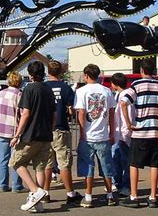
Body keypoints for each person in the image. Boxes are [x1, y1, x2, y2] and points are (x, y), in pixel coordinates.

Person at [9, 61, 56, 213]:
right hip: (45, 133)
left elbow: (26, 114)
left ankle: (35, 191)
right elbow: (54, 114)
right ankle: (38, 202)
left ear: (30, 74)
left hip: (31, 134)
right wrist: (50, 128)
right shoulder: (48, 90)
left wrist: (17, 135)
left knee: (16, 162)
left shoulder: (29, 89)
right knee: (40, 166)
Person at [120, 59, 158, 208]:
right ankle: (153, 196)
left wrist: (128, 123)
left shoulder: (136, 85)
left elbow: (124, 102)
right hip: (155, 131)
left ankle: (134, 196)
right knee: (154, 164)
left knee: (134, 164)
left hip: (140, 131)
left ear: (141, 71)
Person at [74, 64, 116, 208]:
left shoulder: (81, 91)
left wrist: (82, 133)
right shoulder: (107, 91)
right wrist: (112, 132)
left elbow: (81, 112)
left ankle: (88, 196)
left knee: (88, 167)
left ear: (86, 75)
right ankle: (110, 195)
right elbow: (111, 112)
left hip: (88, 135)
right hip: (103, 134)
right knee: (106, 166)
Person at [43, 60, 83, 205]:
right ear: (61, 72)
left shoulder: (44, 87)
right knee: (64, 162)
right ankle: (70, 193)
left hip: (46, 129)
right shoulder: (65, 88)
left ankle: (45, 192)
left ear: (48, 72)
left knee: (47, 163)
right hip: (61, 127)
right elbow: (71, 108)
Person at [0, 71, 24, 193]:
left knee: (3, 159)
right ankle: (16, 185)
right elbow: (23, 113)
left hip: (2, 129)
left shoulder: (0, 93)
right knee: (16, 159)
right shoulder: (19, 94)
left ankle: (2, 184)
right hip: (14, 131)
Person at [110, 73, 134, 197]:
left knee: (126, 160)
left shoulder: (126, 95)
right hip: (118, 132)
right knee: (117, 158)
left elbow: (128, 114)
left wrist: (127, 129)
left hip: (124, 132)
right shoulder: (119, 95)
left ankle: (126, 185)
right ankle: (118, 182)